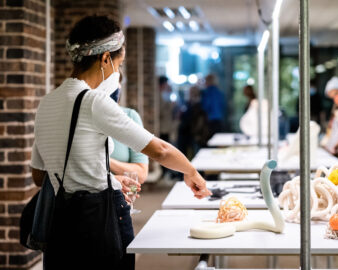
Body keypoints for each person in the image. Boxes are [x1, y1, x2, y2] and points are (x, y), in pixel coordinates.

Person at [30, 15, 211, 270]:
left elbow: (40, 176)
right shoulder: (93, 101)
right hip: (98, 224)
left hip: (59, 227)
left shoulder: (46, 104)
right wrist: (191, 171)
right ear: (105, 59)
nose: (119, 72)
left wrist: (111, 179)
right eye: (119, 62)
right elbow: (159, 150)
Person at [177, 85, 209, 159]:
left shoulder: (196, 106)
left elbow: (191, 119)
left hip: (191, 134)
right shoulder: (190, 104)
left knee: (192, 155)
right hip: (189, 133)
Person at [201, 74, 226, 138]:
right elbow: (223, 106)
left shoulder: (207, 92)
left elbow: (205, 107)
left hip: (210, 121)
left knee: (210, 141)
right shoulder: (219, 92)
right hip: (219, 120)